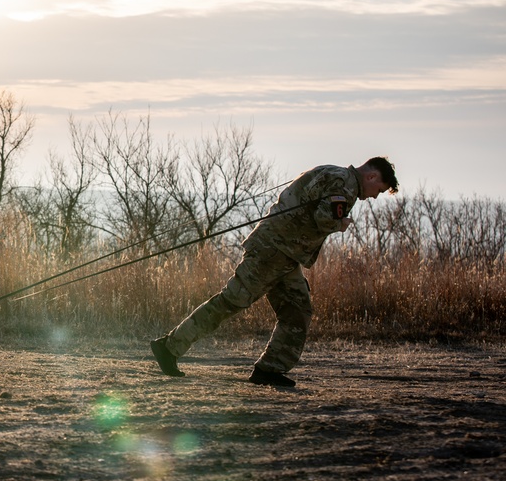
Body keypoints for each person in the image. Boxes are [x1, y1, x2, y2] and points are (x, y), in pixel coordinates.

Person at [151, 157, 398, 387]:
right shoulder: (343, 183)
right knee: (232, 301)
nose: (374, 197)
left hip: (285, 256)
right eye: (378, 190)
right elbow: (325, 218)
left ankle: (269, 370)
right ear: (372, 176)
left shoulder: (334, 173)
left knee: (297, 311)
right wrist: (341, 224)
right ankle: (169, 347)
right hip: (273, 251)